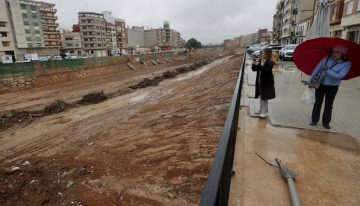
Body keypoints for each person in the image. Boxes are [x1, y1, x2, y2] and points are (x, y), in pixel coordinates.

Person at [307, 45, 351, 129]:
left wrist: (327, 71)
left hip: (333, 87)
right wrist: (309, 80)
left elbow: (339, 76)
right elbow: (316, 70)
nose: (334, 54)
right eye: (333, 52)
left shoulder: (347, 64)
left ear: (343, 54)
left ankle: (326, 122)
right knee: (317, 103)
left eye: (338, 52)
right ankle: (314, 120)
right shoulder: (326, 59)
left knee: (329, 104)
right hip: (320, 84)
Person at [252, 48, 276, 118]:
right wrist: (253, 64)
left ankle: (265, 112)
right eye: (262, 53)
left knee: (265, 98)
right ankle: (261, 110)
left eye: (264, 54)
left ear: (268, 55)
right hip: (260, 81)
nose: (263, 55)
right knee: (261, 97)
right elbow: (254, 69)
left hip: (266, 83)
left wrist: (259, 65)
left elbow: (267, 71)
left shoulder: (270, 62)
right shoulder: (260, 61)